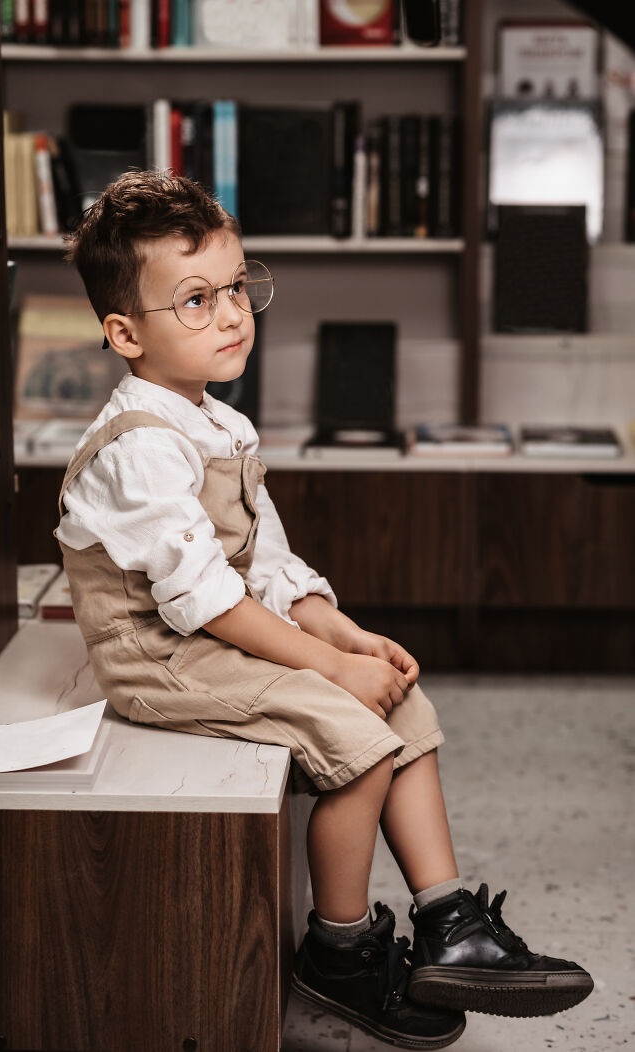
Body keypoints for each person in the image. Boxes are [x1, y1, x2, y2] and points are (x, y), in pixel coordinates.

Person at [54, 170, 593, 1050]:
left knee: (401, 700)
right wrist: (330, 670)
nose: (232, 314)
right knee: (351, 730)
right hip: (159, 657)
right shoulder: (139, 449)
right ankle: (337, 954)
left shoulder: (215, 423)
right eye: (195, 300)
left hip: (213, 634)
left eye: (236, 287)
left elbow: (264, 564)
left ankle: (451, 920)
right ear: (123, 334)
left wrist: (339, 632)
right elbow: (204, 599)